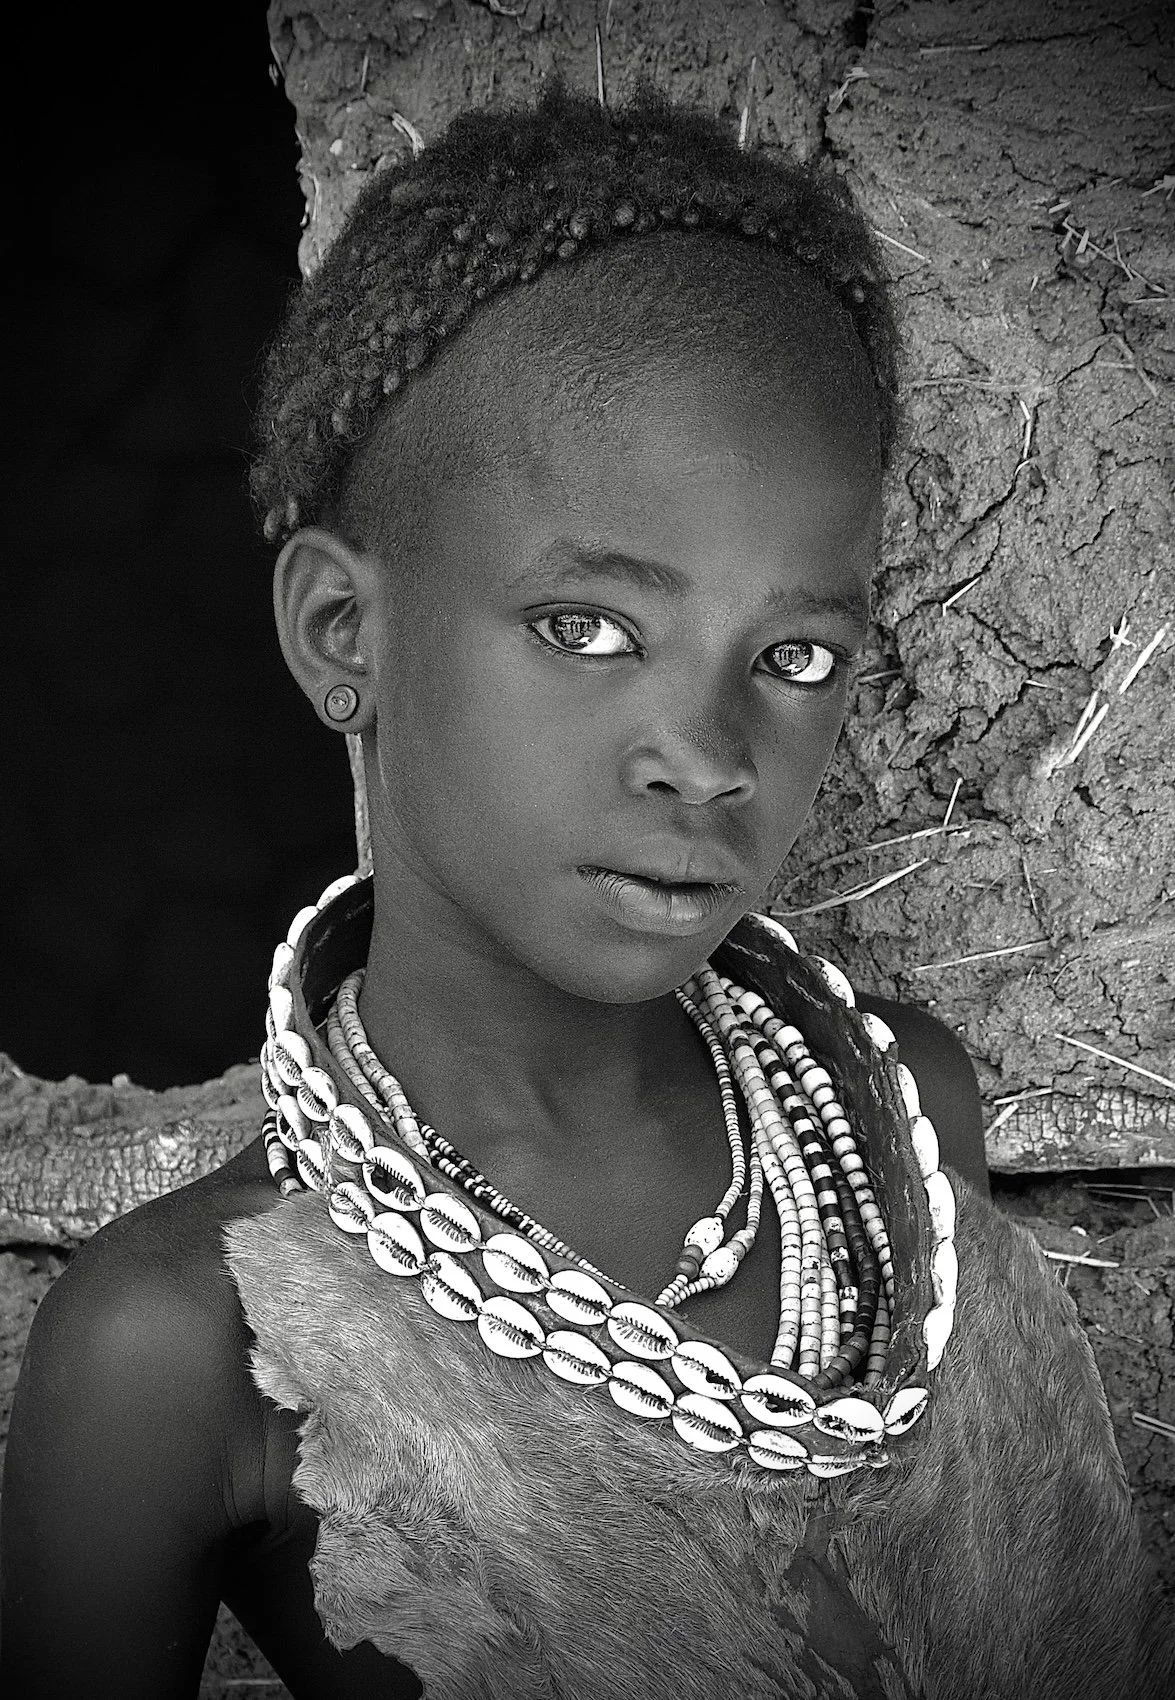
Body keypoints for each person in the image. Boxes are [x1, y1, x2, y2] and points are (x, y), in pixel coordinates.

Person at [2, 81, 1167, 1700]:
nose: (706, 756)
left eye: (795, 655)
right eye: (588, 629)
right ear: (344, 632)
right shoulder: (189, 1343)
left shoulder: (899, 1127)